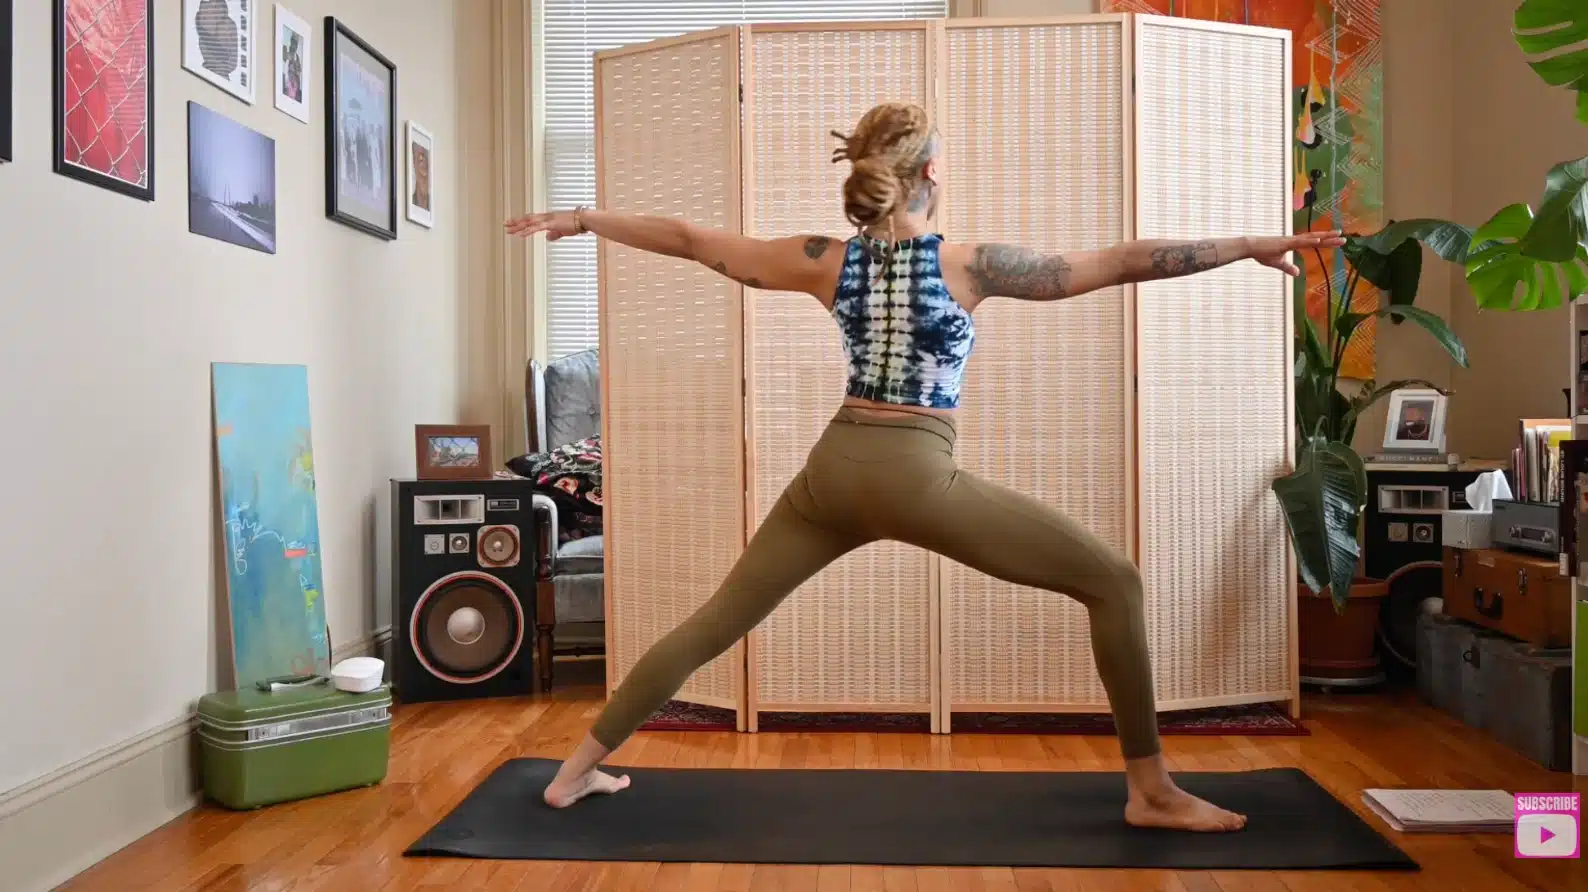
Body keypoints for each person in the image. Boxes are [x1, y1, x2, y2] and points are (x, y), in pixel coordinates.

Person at [505, 102, 1343, 833]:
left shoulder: (821, 258)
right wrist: (1247, 244)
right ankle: (1152, 790)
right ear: (932, 171)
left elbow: (691, 241)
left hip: (830, 475)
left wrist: (579, 219)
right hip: (914, 477)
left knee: (715, 621)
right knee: (1114, 580)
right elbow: (1123, 261)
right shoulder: (969, 264)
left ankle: (572, 773)